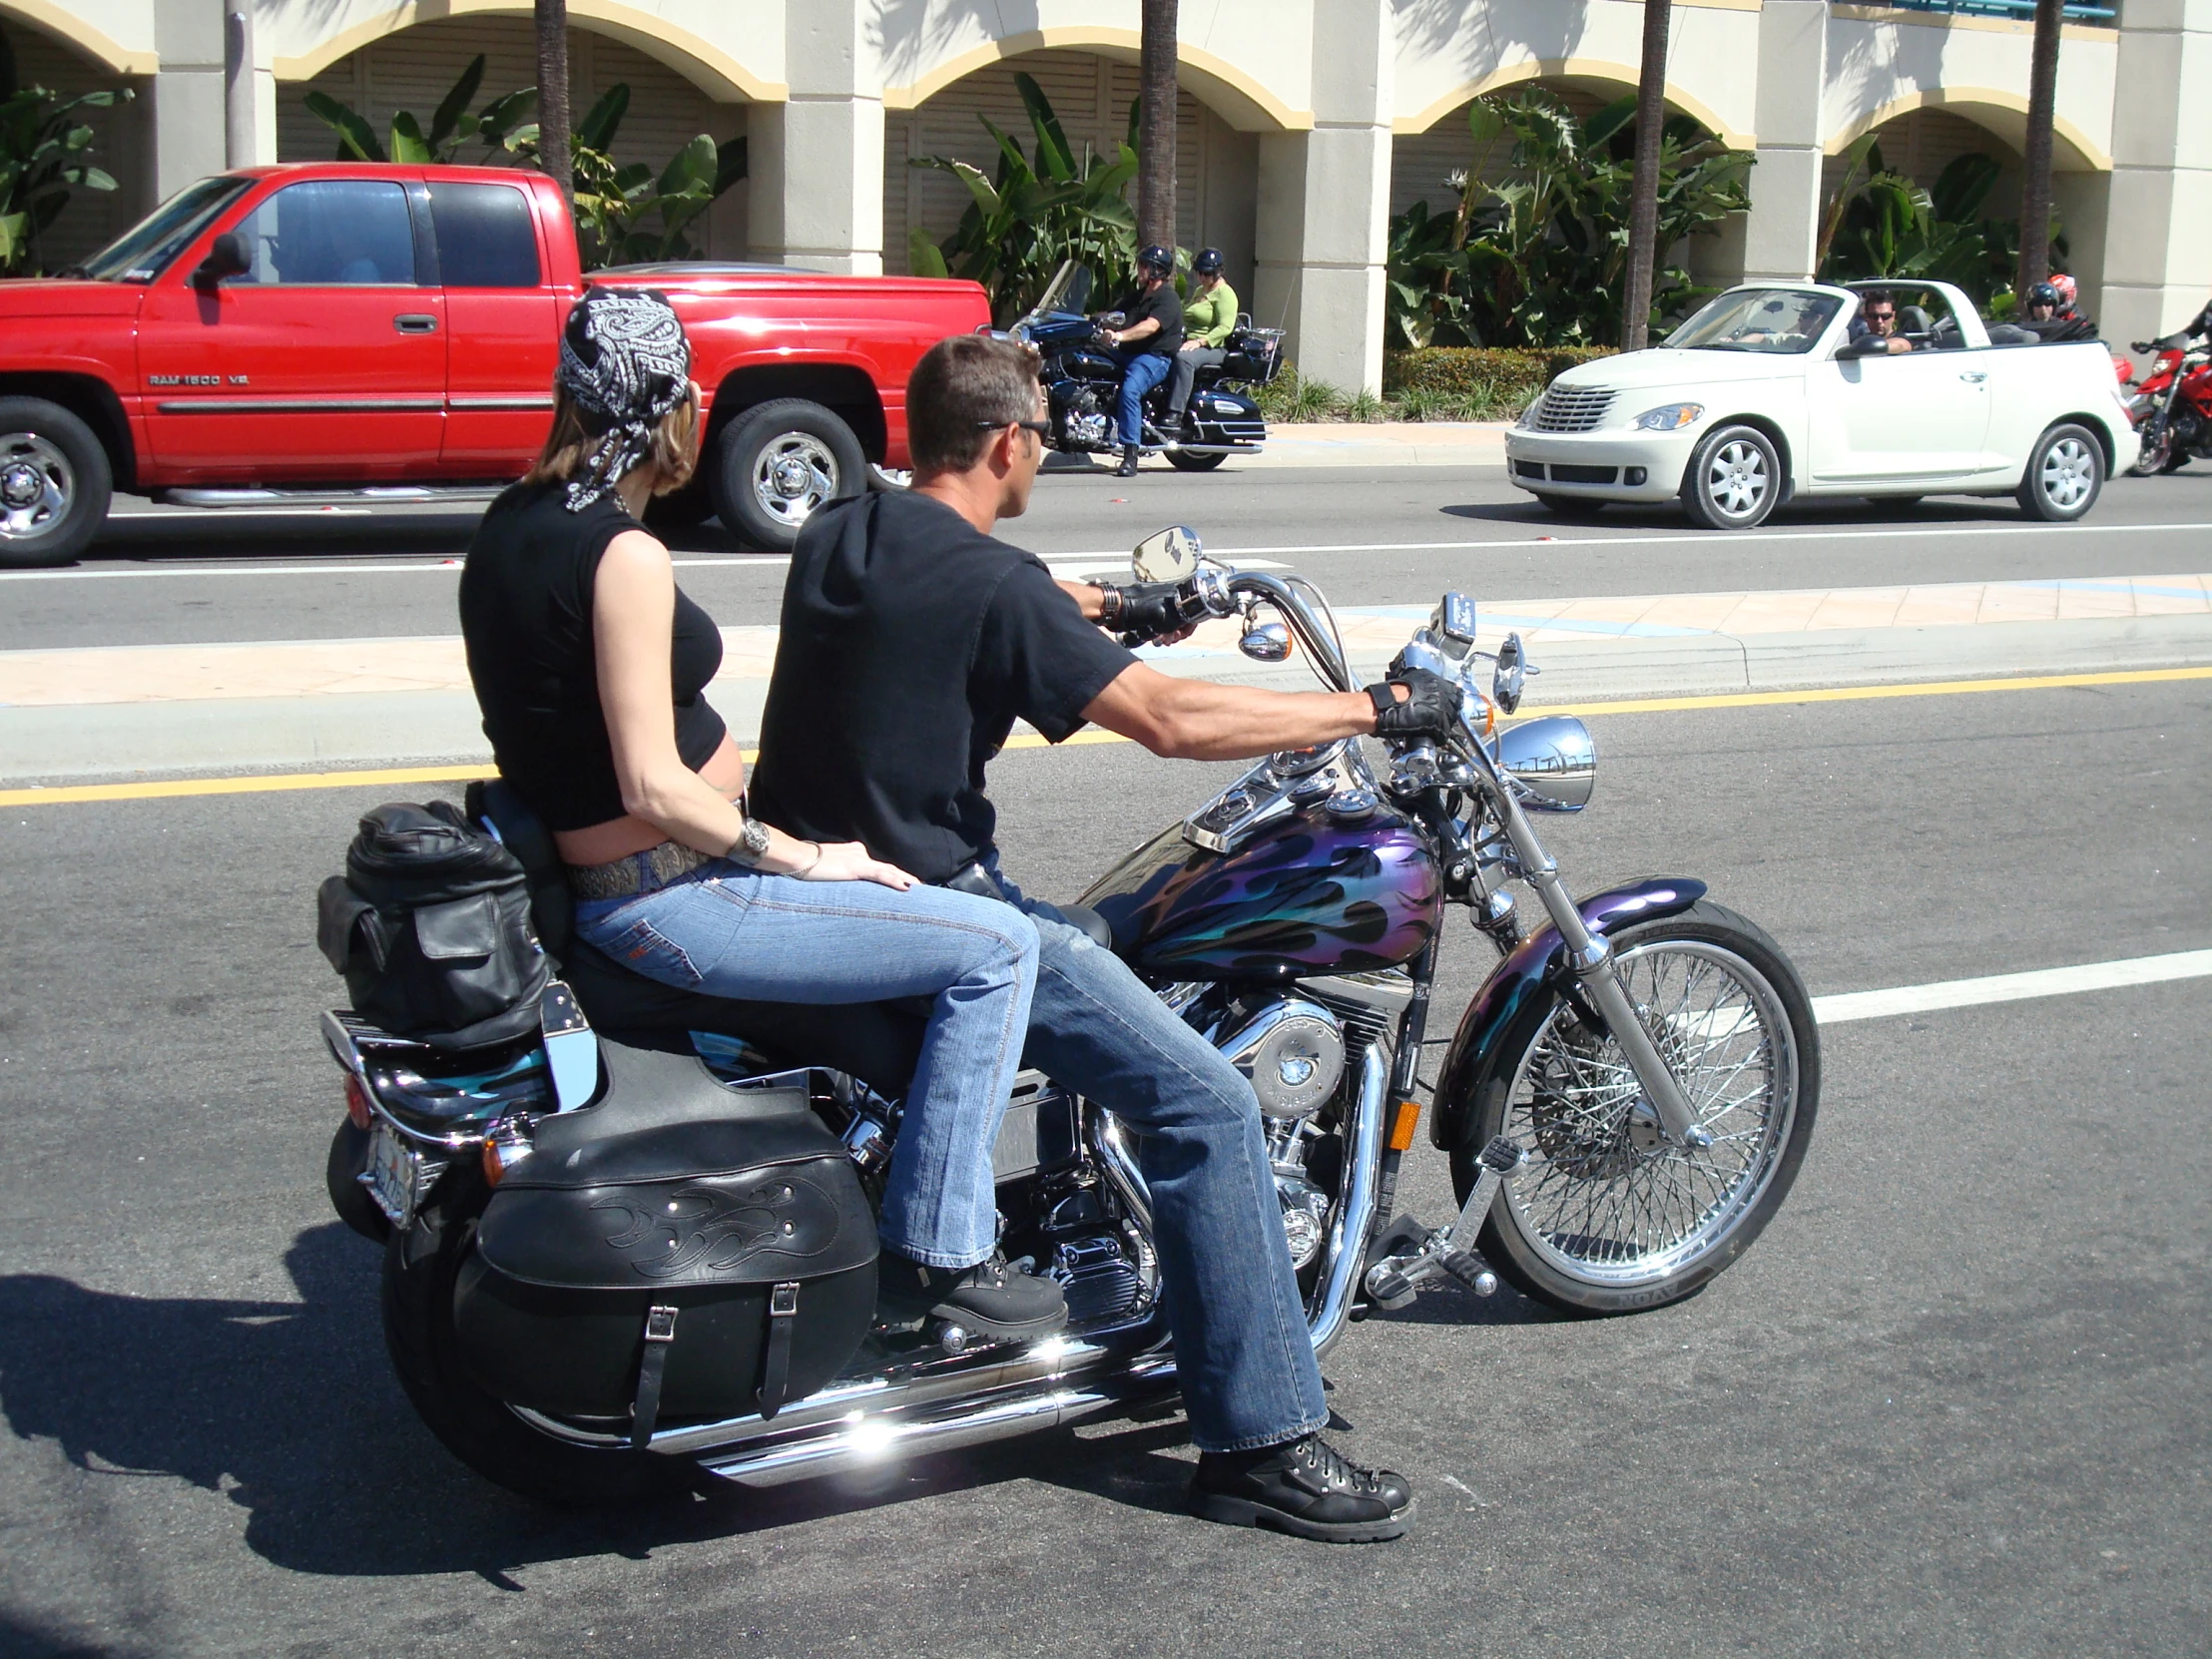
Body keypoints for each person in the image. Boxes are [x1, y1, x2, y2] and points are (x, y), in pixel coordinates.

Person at [750, 332, 1471, 1543]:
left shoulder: (842, 533)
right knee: (1207, 1107)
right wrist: (1374, 709)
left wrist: (1121, 605)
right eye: (1037, 436)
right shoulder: (995, 589)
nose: (1040, 452)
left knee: (1120, 939)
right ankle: (1259, 1439)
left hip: (816, 888)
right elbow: (1171, 725)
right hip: (940, 906)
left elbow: (988, 595)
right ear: (1005, 444)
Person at [457, 287, 1064, 1344]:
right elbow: (652, 785)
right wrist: (803, 858)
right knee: (998, 947)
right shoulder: (620, 554)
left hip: (610, 883)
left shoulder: (508, 526)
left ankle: (872, 1182)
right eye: (689, 388)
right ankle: (942, 1251)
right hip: (666, 900)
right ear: (668, 408)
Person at [1100, 245, 1184, 477]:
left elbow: (1150, 326)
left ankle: (1130, 454)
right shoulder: (1137, 296)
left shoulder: (1168, 298)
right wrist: (1087, 321)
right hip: (1126, 353)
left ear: (1158, 270)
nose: (1140, 269)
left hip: (1152, 358)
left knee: (1130, 390)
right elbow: (1111, 315)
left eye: (1145, 266)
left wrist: (1119, 335)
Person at [1163, 248, 1239, 430]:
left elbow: (1225, 328)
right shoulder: (1200, 290)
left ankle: (1176, 412)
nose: (1202, 277)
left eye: (1207, 273)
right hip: (1188, 340)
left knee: (1184, 359)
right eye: (1199, 272)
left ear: (1218, 272)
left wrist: (1200, 341)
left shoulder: (1225, 294)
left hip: (1213, 348)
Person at [1847, 289, 1913, 352]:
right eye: (1873, 316)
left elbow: (1902, 345)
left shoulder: (1901, 339)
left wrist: (1864, 347)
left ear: (1893, 316)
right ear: (1866, 317)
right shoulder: (1859, 340)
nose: (1879, 321)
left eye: (1885, 316)